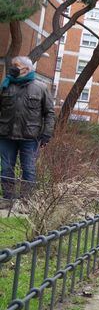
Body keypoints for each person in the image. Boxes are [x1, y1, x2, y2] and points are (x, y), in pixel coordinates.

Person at [0, 56, 55, 208]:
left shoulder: (41, 87)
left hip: (30, 138)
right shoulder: (5, 85)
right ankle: (7, 199)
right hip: (6, 135)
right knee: (6, 168)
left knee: (28, 170)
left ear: (26, 68)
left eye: (15, 65)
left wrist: (46, 135)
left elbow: (50, 113)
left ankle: (26, 202)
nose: (12, 68)